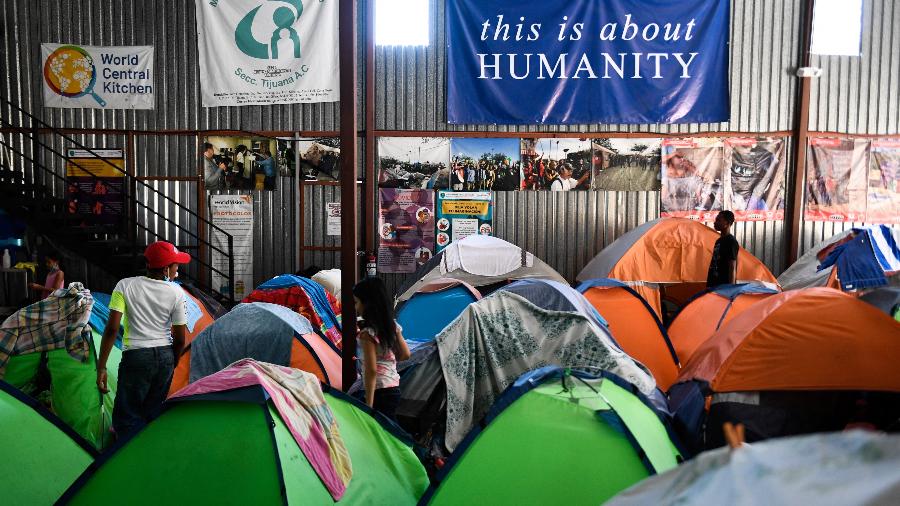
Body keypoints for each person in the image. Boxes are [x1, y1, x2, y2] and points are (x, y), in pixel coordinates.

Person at [96, 241, 190, 438]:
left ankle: (123, 458)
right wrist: (172, 361)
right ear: (165, 269)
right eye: (175, 266)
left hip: (136, 357)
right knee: (152, 416)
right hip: (165, 355)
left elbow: (112, 329)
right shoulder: (176, 292)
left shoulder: (125, 285)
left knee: (127, 418)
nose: (177, 271)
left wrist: (102, 367)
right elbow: (180, 339)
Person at [353, 277, 410, 420]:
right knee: (390, 428)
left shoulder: (367, 334)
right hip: (393, 387)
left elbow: (372, 370)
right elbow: (405, 354)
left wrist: (369, 404)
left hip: (379, 390)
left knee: (385, 432)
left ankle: (408, 443)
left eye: (357, 302)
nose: (356, 307)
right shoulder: (392, 326)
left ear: (367, 303)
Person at [707, 211, 739, 289]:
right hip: (713, 284)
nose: (715, 223)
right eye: (715, 220)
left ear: (727, 223)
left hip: (723, 287)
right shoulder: (718, 241)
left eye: (718, 220)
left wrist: (731, 288)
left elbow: (732, 266)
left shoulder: (731, 242)